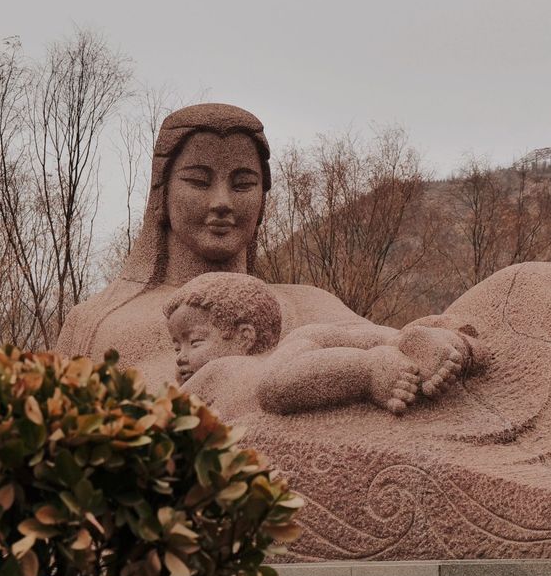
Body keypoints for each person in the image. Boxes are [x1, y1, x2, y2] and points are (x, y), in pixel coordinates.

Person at [56, 103, 483, 404]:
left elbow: (384, 340)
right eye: (199, 181)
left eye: (242, 183)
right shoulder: (99, 323)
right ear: (161, 194)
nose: (222, 201)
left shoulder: (309, 302)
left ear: (262, 200)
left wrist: (448, 342)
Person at [164, 271, 487, 417]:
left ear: (245, 336)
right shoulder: (299, 340)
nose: (180, 357)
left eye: (194, 342)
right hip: (308, 349)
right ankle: (435, 340)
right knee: (350, 335)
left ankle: (372, 368)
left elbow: (165, 425)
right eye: (176, 347)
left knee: (274, 389)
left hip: (286, 366)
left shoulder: (219, 371)